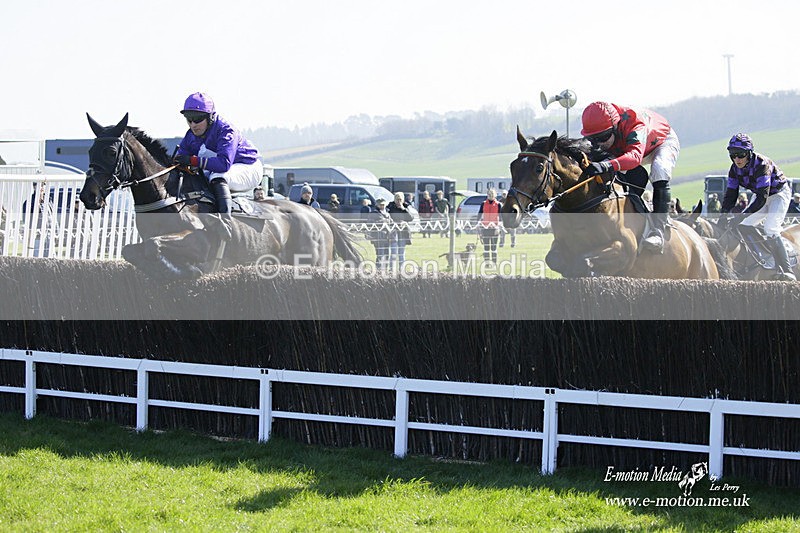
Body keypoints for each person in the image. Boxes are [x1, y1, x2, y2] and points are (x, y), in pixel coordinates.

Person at [579, 101, 679, 253]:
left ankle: (658, 231)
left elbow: (634, 158)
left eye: (603, 137)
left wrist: (606, 165)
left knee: (659, 169)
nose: (599, 144)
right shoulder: (605, 135)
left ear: (615, 127)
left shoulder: (634, 124)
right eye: (593, 139)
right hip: (626, 148)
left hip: (661, 143)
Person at [174, 92, 262, 240]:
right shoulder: (190, 136)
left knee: (217, 176)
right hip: (224, 168)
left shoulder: (226, 130)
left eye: (197, 119)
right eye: (189, 119)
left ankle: (225, 224)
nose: (193, 124)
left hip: (249, 166)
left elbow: (223, 164)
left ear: (211, 117)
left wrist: (192, 161)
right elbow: (178, 159)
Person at [720, 133, 795, 281]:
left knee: (770, 228)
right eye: (733, 154)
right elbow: (730, 196)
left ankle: (787, 271)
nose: (737, 159)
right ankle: (762, 254)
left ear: (749, 153)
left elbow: (762, 198)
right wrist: (722, 215)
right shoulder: (733, 169)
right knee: (743, 225)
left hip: (778, 194)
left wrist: (741, 215)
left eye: (740, 154)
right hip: (761, 195)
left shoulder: (762, 164)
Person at [387, 192, 414, 269]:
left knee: (401, 253)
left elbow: (411, 218)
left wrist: (403, 209)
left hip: (403, 232)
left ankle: (401, 269)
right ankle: (391, 269)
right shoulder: (390, 206)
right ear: (394, 199)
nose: (398, 201)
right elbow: (386, 215)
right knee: (393, 252)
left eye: (400, 199)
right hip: (393, 231)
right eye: (397, 199)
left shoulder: (406, 206)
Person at [477, 188, 501, 263]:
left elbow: (501, 216)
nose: (491, 196)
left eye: (492, 194)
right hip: (485, 227)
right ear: (487, 195)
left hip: (495, 228)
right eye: (489, 194)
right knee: (486, 246)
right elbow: (479, 214)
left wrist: (500, 224)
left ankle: (494, 262)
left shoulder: (498, 204)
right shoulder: (483, 204)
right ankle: (487, 262)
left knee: (494, 247)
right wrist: (478, 223)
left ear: (495, 195)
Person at [371, 197, 391, 269]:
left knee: (386, 254)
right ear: (377, 205)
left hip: (387, 236)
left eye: (383, 204)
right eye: (380, 205)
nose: (382, 206)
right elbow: (370, 223)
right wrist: (382, 221)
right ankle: (378, 270)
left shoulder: (388, 212)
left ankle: (385, 269)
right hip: (378, 237)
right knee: (380, 254)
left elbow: (391, 222)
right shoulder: (374, 213)